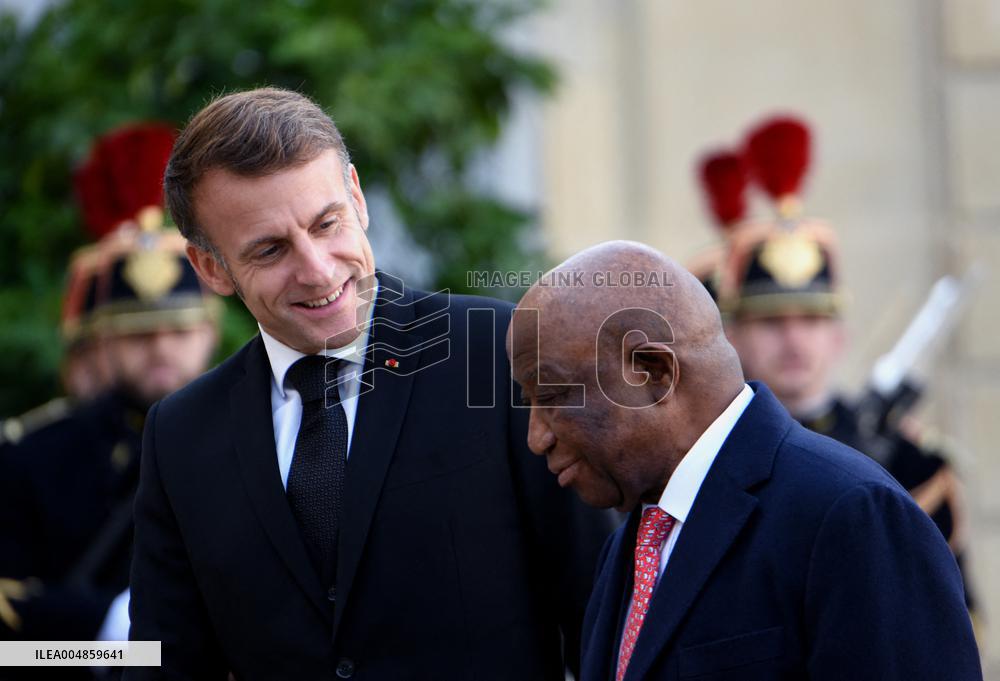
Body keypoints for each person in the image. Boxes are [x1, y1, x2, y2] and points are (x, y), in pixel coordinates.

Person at [125, 87, 612, 681]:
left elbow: (603, 613)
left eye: (327, 223)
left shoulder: (498, 352)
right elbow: (162, 660)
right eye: (271, 249)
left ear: (356, 196)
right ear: (210, 268)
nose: (318, 269)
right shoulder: (181, 436)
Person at [508, 240, 980, 680]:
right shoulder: (631, 545)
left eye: (553, 395)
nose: (536, 437)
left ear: (654, 372)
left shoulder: (852, 516)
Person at [718, 115, 976, 612]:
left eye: (811, 321)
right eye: (772, 322)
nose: (794, 339)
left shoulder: (912, 462)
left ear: (839, 335)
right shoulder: (708, 458)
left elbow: (953, 618)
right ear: (733, 336)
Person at [0, 123, 219, 665]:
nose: (162, 348)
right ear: (102, 342)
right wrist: (108, 636)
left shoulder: (260, 434)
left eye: (180, 329)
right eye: (139, 333)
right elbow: (12, 653)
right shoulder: (30, 457)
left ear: (211, 332)